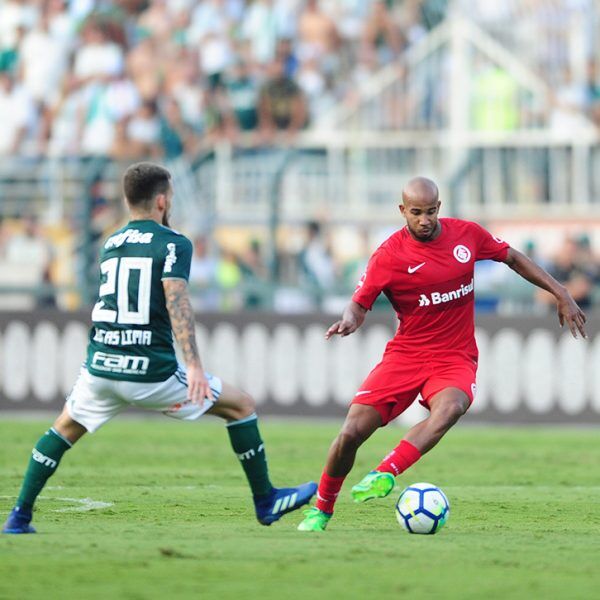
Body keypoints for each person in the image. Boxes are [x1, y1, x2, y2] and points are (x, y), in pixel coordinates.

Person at [2, 162, 316, 535]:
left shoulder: (111, 243)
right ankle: (265, 500)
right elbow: (177, 301)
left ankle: (19, 516)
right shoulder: (173, 243)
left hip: (101, 366)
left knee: (63, 430)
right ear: (163, 200)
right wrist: (194, 366)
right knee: (241, 406)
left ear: (127, 199)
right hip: (150, 371)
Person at [297, 176, 587, 532]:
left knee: (451, 407)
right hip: (406, 356)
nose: (424, 219)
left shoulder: (465, 235)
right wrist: (349, 320)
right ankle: (321, 510)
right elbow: (359, 304)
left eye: (430, 211)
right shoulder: (388, 256)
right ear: (402, 211)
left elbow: (511, 257)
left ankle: (386, 472)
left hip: (455, 356)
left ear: (439, 208)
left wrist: (561, 293)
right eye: (416, 212)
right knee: (351, 433)